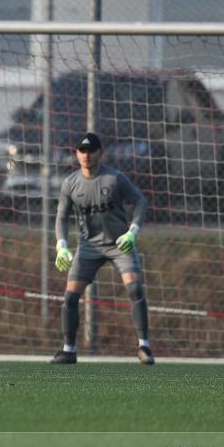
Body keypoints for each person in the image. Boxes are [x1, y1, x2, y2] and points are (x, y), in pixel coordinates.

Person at [52, 132, 153, 365]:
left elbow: (140, 201)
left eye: (91, 151)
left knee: (135, 289)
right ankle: (69, 350)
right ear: (77, 154)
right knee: (70, 297)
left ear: (100, 153)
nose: (86, 156)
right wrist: (62, 246)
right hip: (88, 246)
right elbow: (61, 217)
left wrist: (133, 231)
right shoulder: (70, 183)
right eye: (82, 151)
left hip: (119, 244)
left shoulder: (115, 178)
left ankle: (144, 347)